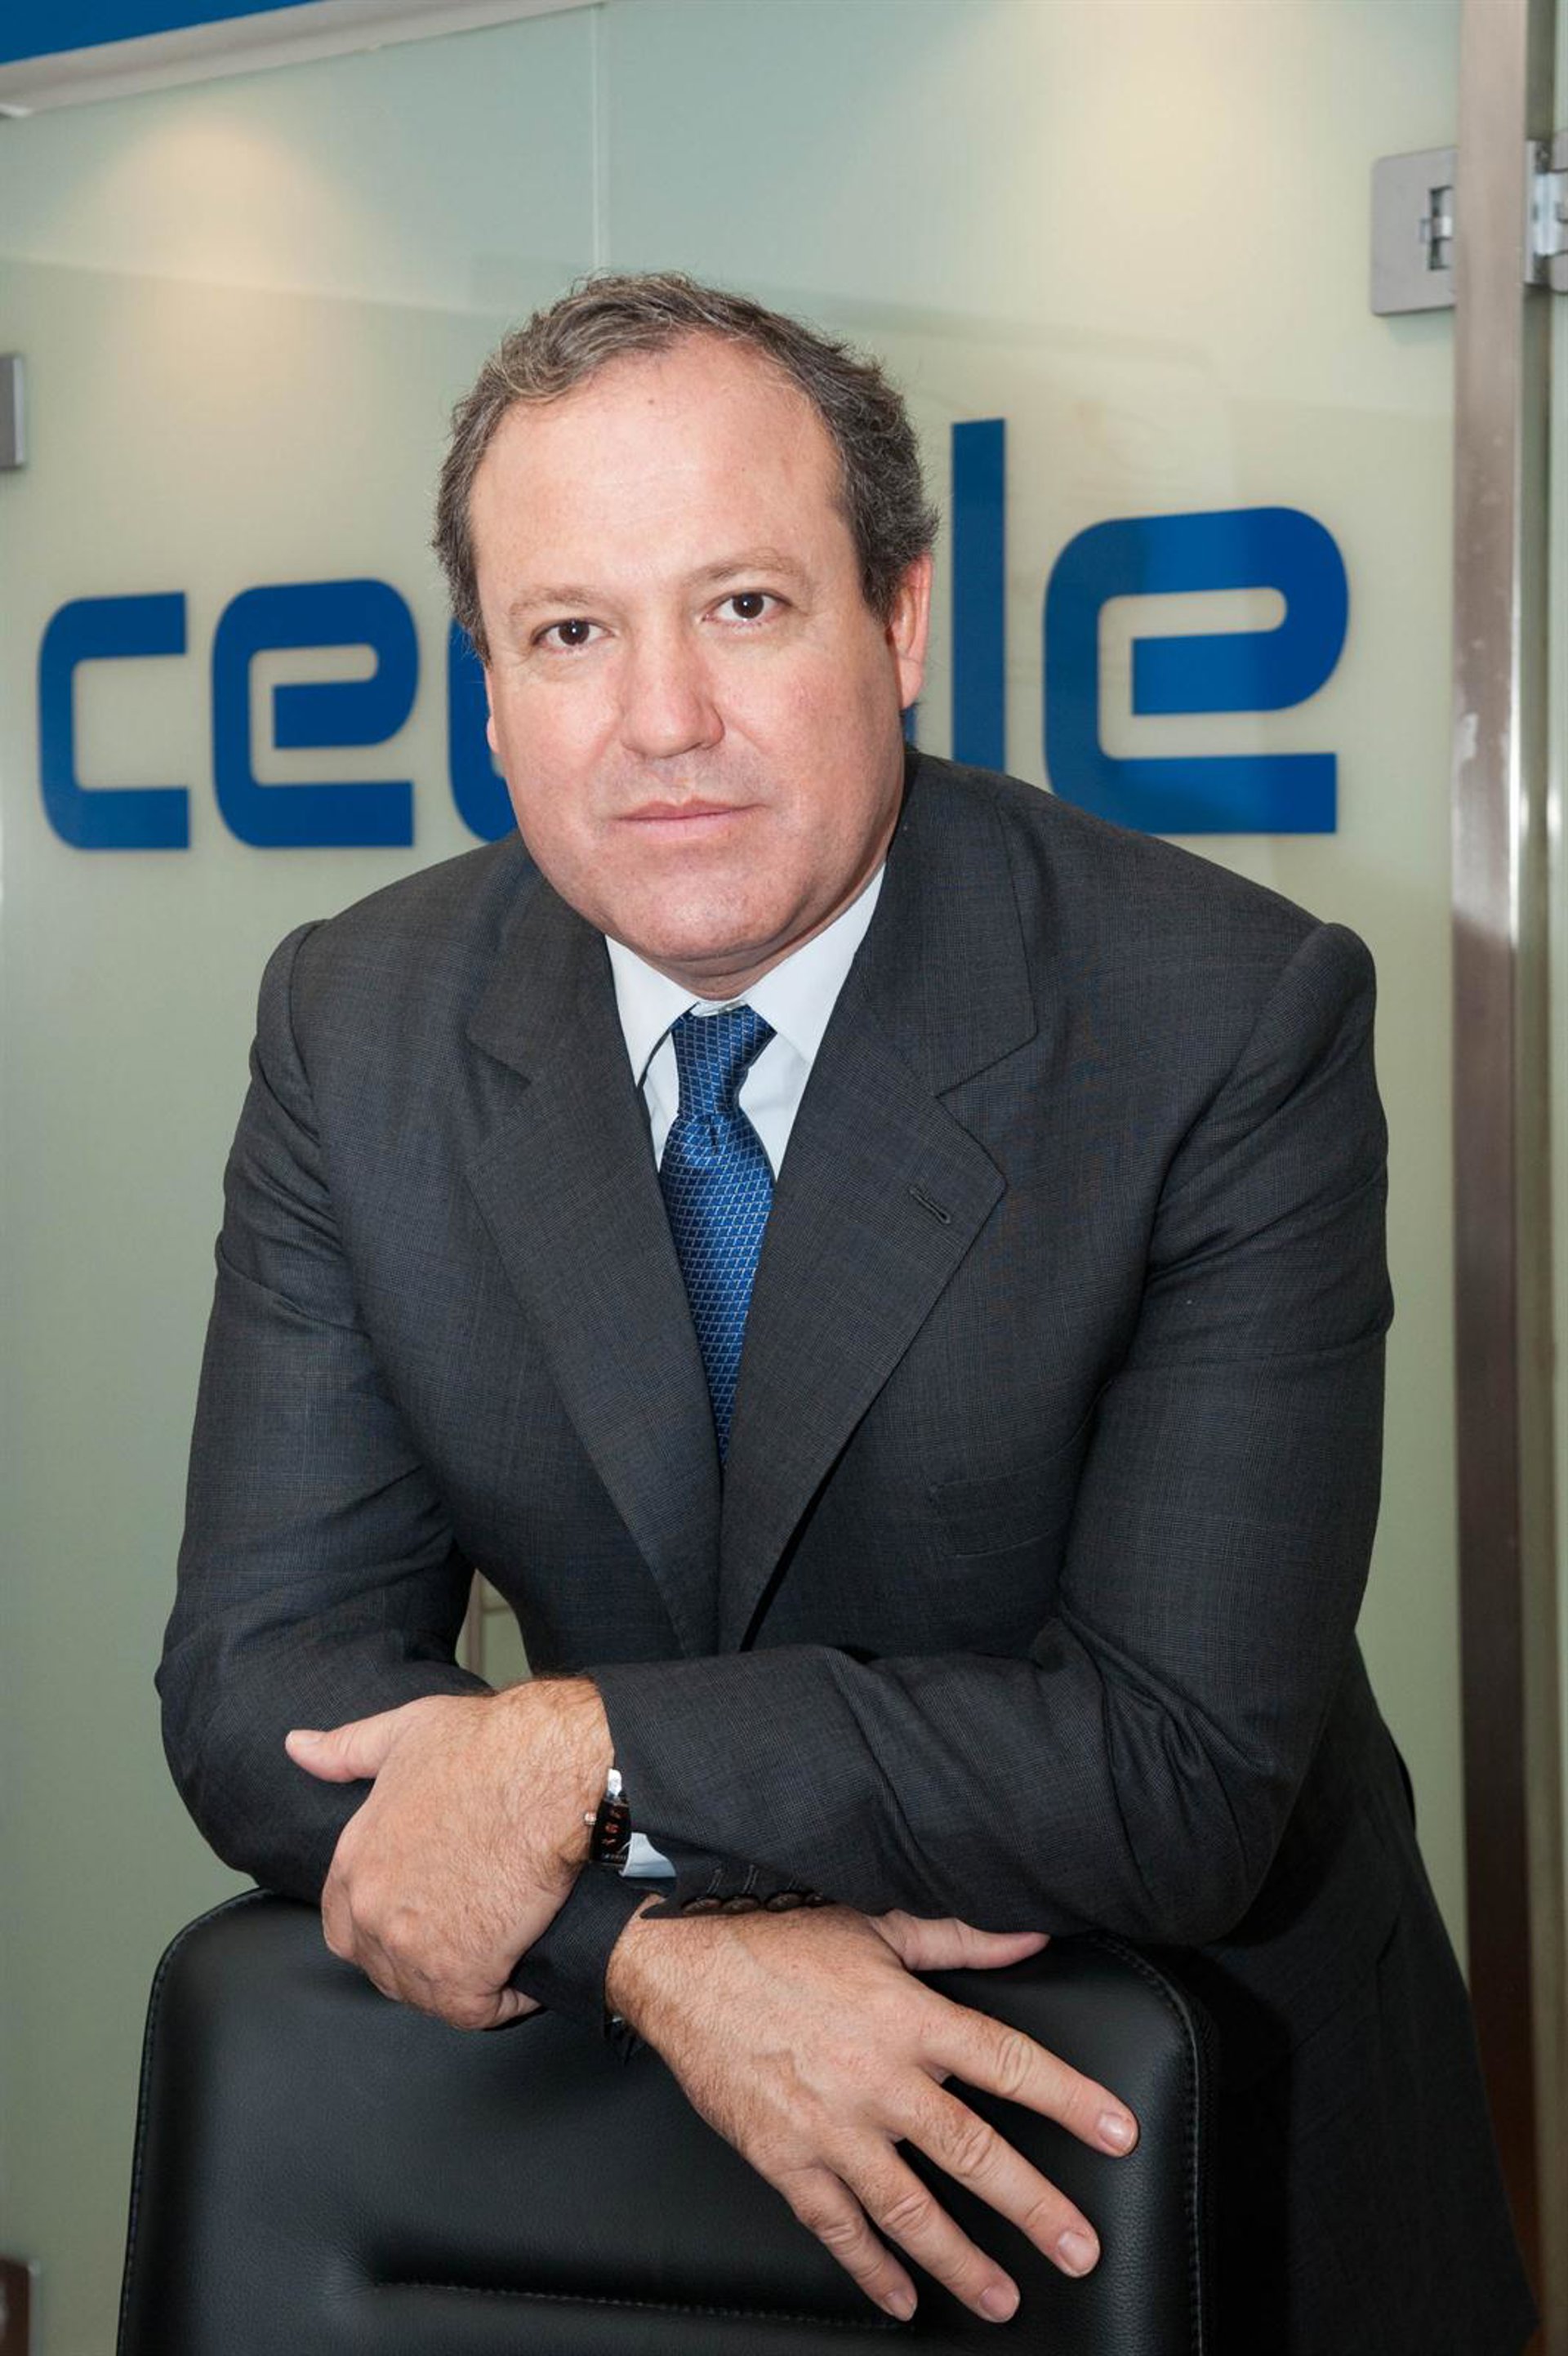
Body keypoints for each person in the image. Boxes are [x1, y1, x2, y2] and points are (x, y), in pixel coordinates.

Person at [160, 271, 1533, 2351]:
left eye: (742, 606)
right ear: (489, 691)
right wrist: (652, 1954)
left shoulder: (1220, 1022)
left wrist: (584, 1752)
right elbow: (259, 1692)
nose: (661, 722)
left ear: (899, 623)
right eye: (569, 634)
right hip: (632, 2132)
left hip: (1177, 2123)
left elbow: (1169, 1774)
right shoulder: (357, 1027)